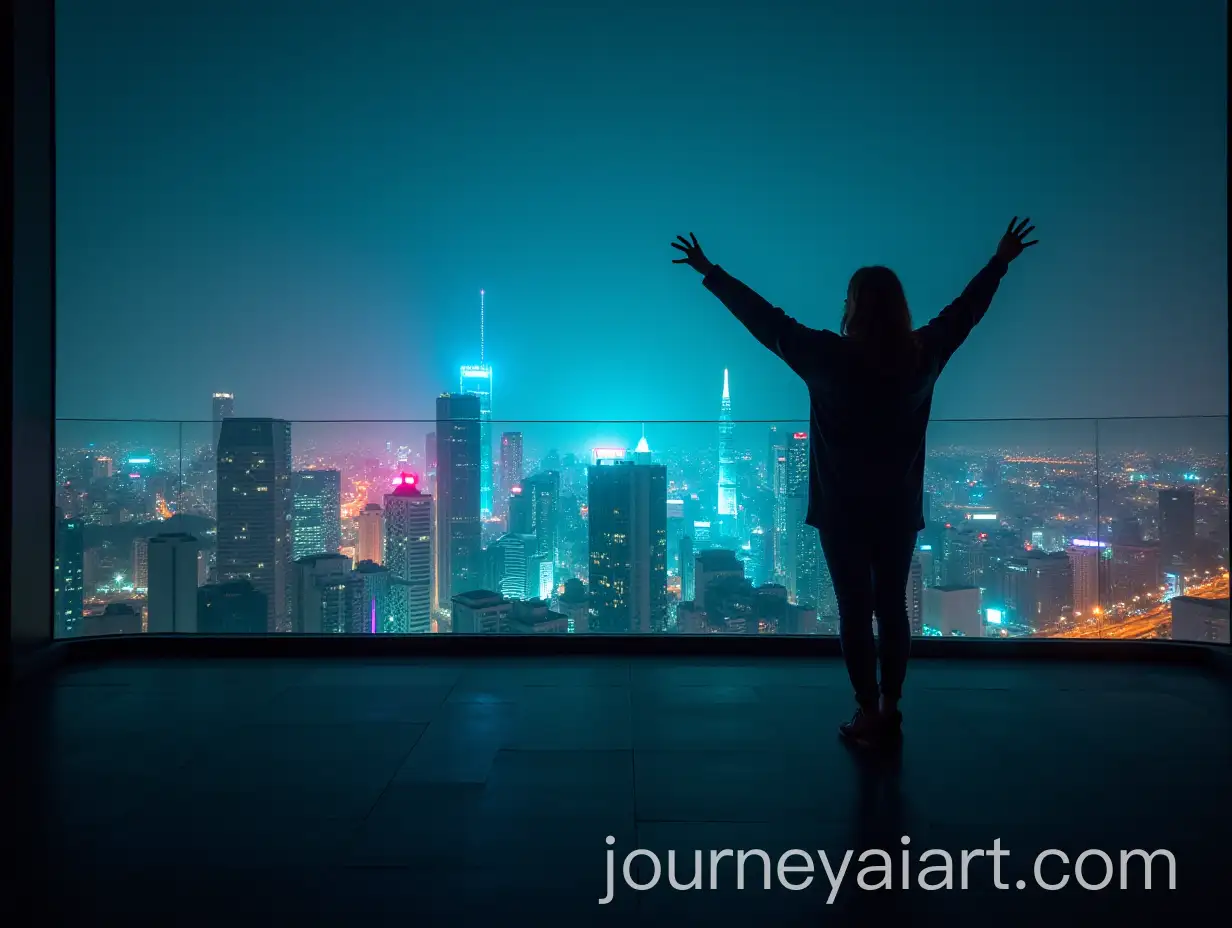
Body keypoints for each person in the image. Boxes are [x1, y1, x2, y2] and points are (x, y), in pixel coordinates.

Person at [670, 219, 1038, 746]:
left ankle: (866, 708)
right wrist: (999, 261)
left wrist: (711, 272)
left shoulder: (828, 357)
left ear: (854, 308)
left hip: (841, 510)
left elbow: (765, 321)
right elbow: (965, 312)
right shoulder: (921, 355)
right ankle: (891, 705)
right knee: (892, 608)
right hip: (897, 508)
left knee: (854, 610)